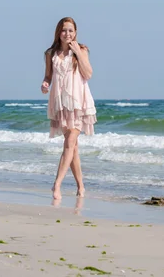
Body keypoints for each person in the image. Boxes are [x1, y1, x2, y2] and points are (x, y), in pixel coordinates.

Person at [41, 17, 97, 200]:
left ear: (76, 32)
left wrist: (78, 54)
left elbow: (88, 74)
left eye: (71, 30)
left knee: (69, 142)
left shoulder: (81, 50)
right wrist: (45, 83)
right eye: (64, 30)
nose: (68, 34)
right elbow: (48, 76)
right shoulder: (50, 53)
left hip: (79, 103)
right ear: (58, 32)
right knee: (73, 147)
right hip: (61, 103)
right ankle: (81, 187)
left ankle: (56, 185)